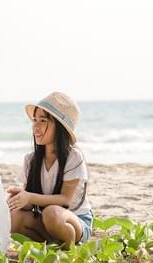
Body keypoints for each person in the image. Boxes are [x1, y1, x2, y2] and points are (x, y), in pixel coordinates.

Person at [7, 92, 93, 247]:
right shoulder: (31, 160)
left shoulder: (73, 156)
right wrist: (20, 198)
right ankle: (53, 244)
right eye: (35, 120)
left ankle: (69, 248)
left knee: (51, 213)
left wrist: (30, 197)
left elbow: (65, 200)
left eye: (43, 121)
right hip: (47, 221)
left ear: (59, 127)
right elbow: (30, 202)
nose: (36, 126)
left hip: (76, 220)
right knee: (15, 217)